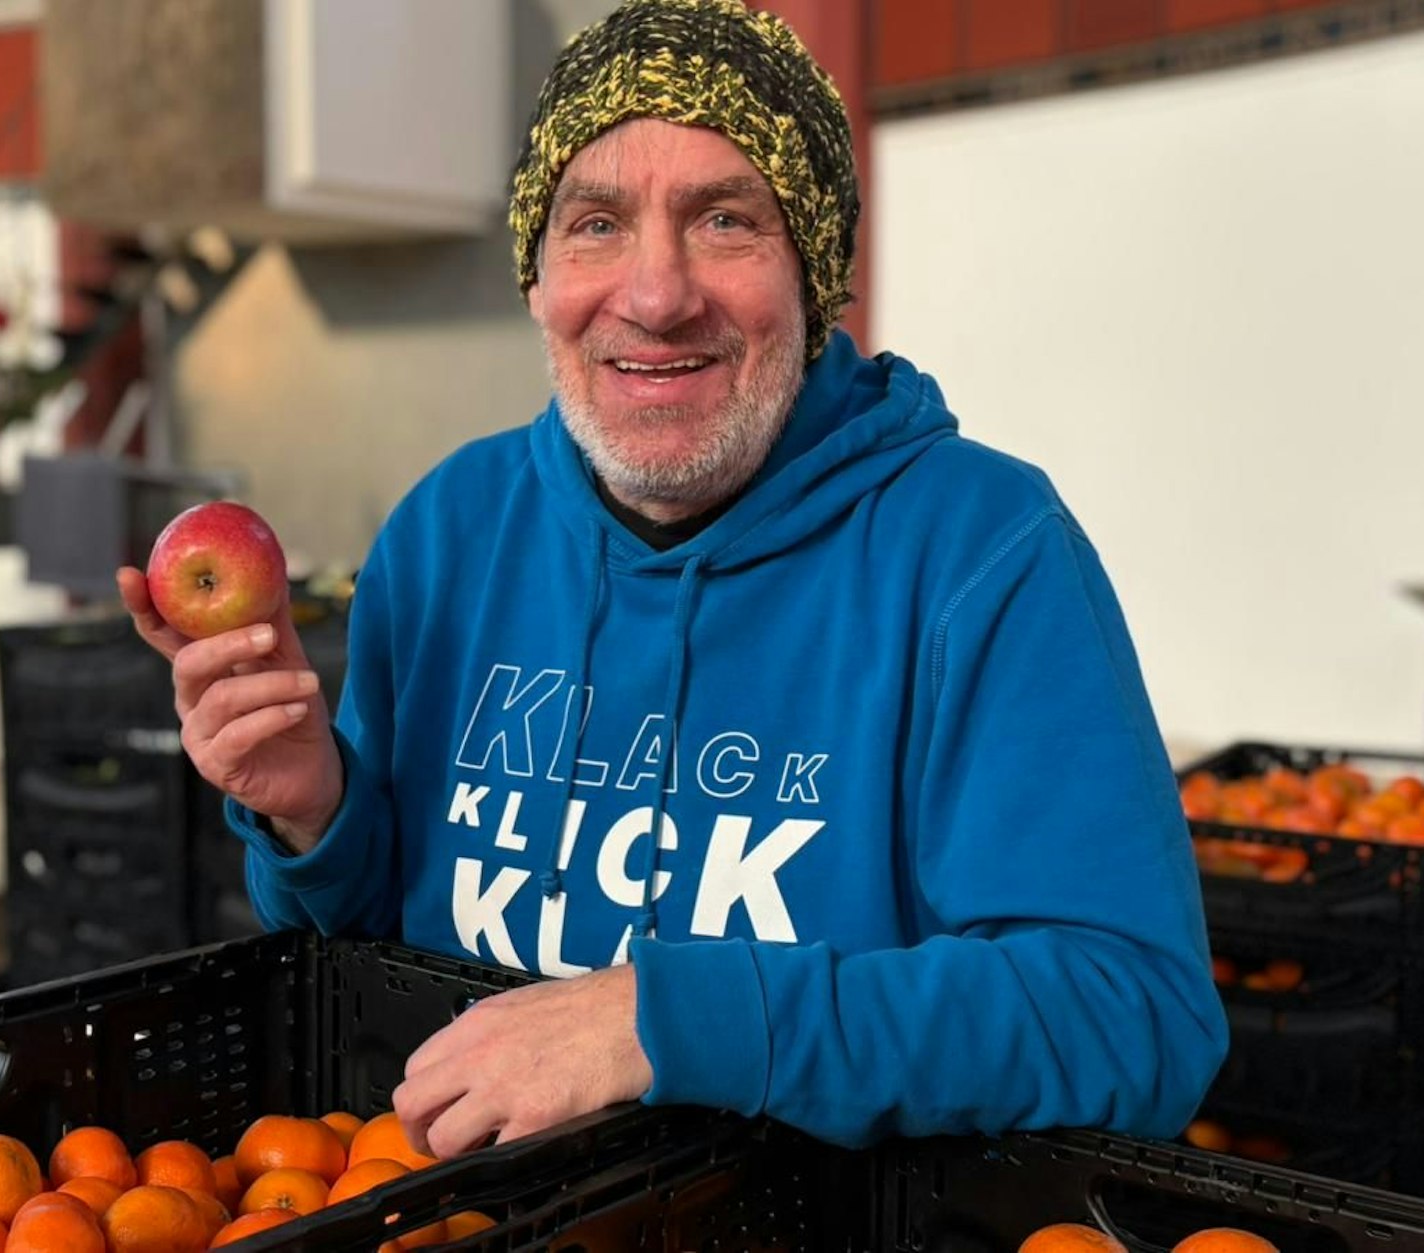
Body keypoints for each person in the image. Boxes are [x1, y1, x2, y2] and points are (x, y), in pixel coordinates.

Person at [119, 0, 1226, 1159]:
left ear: (811, 273)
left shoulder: (977, 550)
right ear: (537, 277)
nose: (654, 296)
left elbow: (1130, 1017)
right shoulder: (450, 529)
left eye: (724, 220)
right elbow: (368, 933)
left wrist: (663, 1017)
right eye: (595, 223)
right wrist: (314, 811)